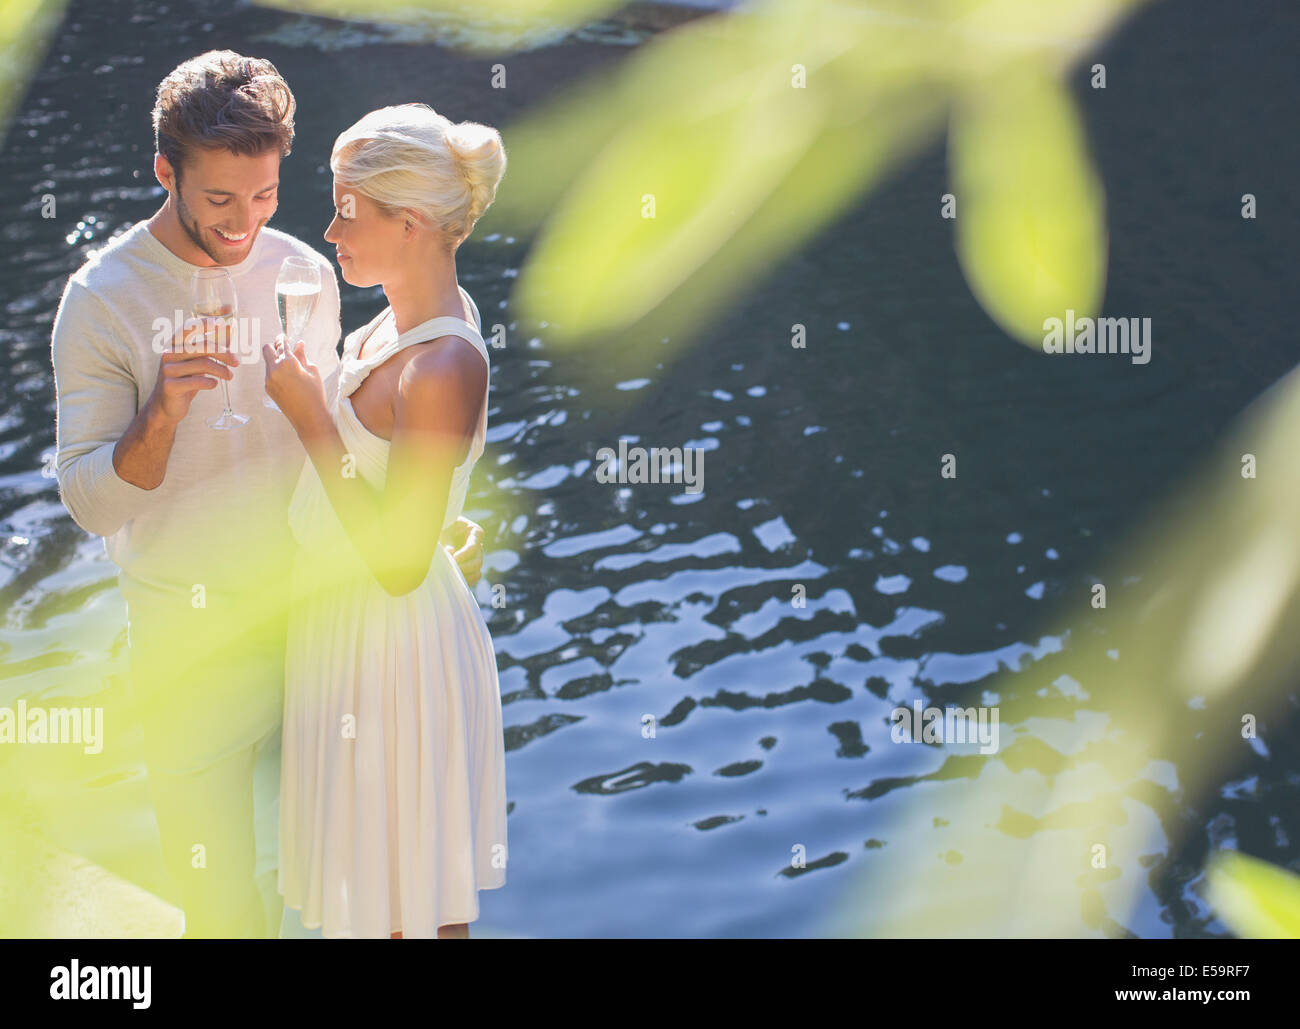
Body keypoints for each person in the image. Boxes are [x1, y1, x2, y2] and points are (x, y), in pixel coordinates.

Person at [49, 51, 486, 938]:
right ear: (166, 171)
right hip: (191, 650)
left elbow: (357, 447)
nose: (247, 223)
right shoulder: (101, 301)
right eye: (219, 200)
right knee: (222, 906)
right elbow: (90, 504)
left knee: (352, 894)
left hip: (320, 637)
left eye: (264, 196)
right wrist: (163, 413)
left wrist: (425, 526)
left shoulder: (305, 275)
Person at [265, 103, 507, 940]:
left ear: (409, 222)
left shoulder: (442, 361)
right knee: (370, 896)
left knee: (407, 906)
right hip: (345, 626)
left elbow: (400, 563)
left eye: (346, 209)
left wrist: (311, 417)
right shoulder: (395, 321)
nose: (330, 231)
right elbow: (407, 491)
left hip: (393, 647)